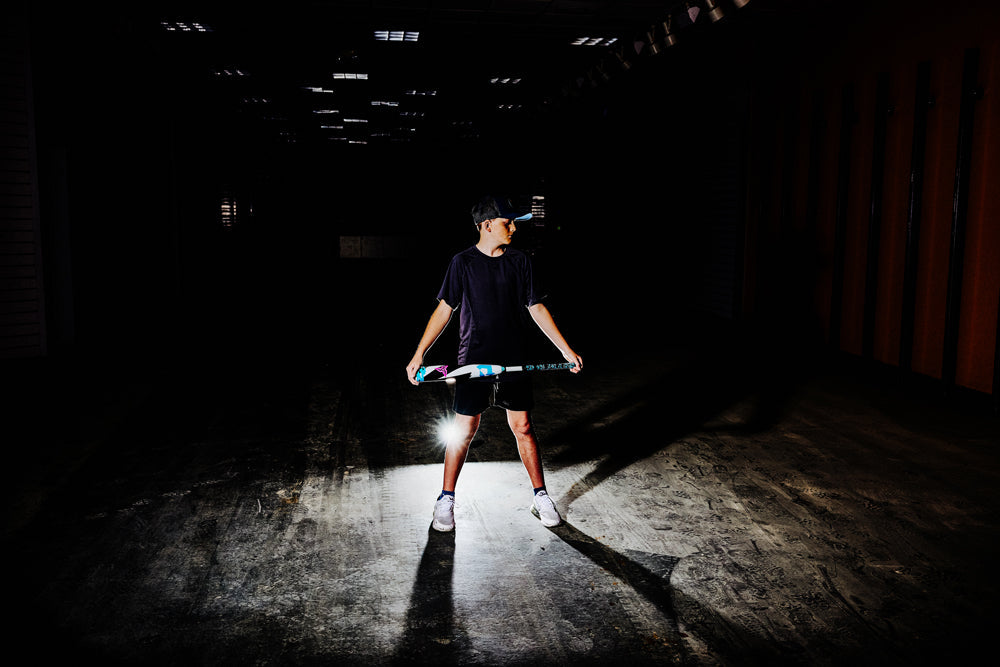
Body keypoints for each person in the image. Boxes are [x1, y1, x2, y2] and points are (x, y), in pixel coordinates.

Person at [406, 195, 582, 532]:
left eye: (514, 222)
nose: (513, 228)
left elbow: (536, 307)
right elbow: (445, 309)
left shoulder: (520, 261)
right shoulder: (462, 262)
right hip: (473, 360)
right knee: (464, 430)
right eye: (507, 222)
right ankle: (446, 498)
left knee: (523, 427)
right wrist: (419, 354)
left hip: (514, 358)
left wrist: (565, 349)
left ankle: (540, 495)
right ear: (486, 225)